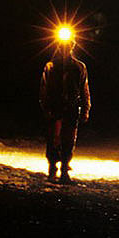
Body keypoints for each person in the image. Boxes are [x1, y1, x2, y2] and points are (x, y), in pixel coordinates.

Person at [39, 25, 90, 184]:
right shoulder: (51, 67)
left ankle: (65, 169)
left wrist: (85, 109)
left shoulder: (79, 67)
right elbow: (44, 89)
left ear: (72, 46)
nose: (65, 49)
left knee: (68, 140)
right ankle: (53, 168)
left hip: (71, 108)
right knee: (53, 138)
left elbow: (84, 89)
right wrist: (46, 108)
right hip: (55, 108)